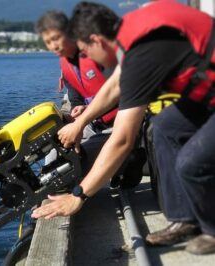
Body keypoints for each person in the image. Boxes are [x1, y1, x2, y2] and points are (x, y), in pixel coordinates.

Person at [32, 0, 215, 255]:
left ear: (96, 40)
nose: (87, 57)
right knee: (164, 126)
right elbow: (115, 85)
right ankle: (184, 219)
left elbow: (122, 139)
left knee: (191, 163)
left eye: (85, 49)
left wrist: (78, 196)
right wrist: (82, 122)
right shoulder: (131, 29)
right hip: (206, 94)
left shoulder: (142, 55)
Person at [35, 10, 145, 180]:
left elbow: (123, 93)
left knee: (77, 164)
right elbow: (75, 100)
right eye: (48, 42)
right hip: (93, 124)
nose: (53, 46)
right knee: (55, 153)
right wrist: (77, 113)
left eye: (56, 39)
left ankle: (130, 160)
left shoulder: (97, 54)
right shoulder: (65, 63)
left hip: (120, 125)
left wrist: (83, 118)